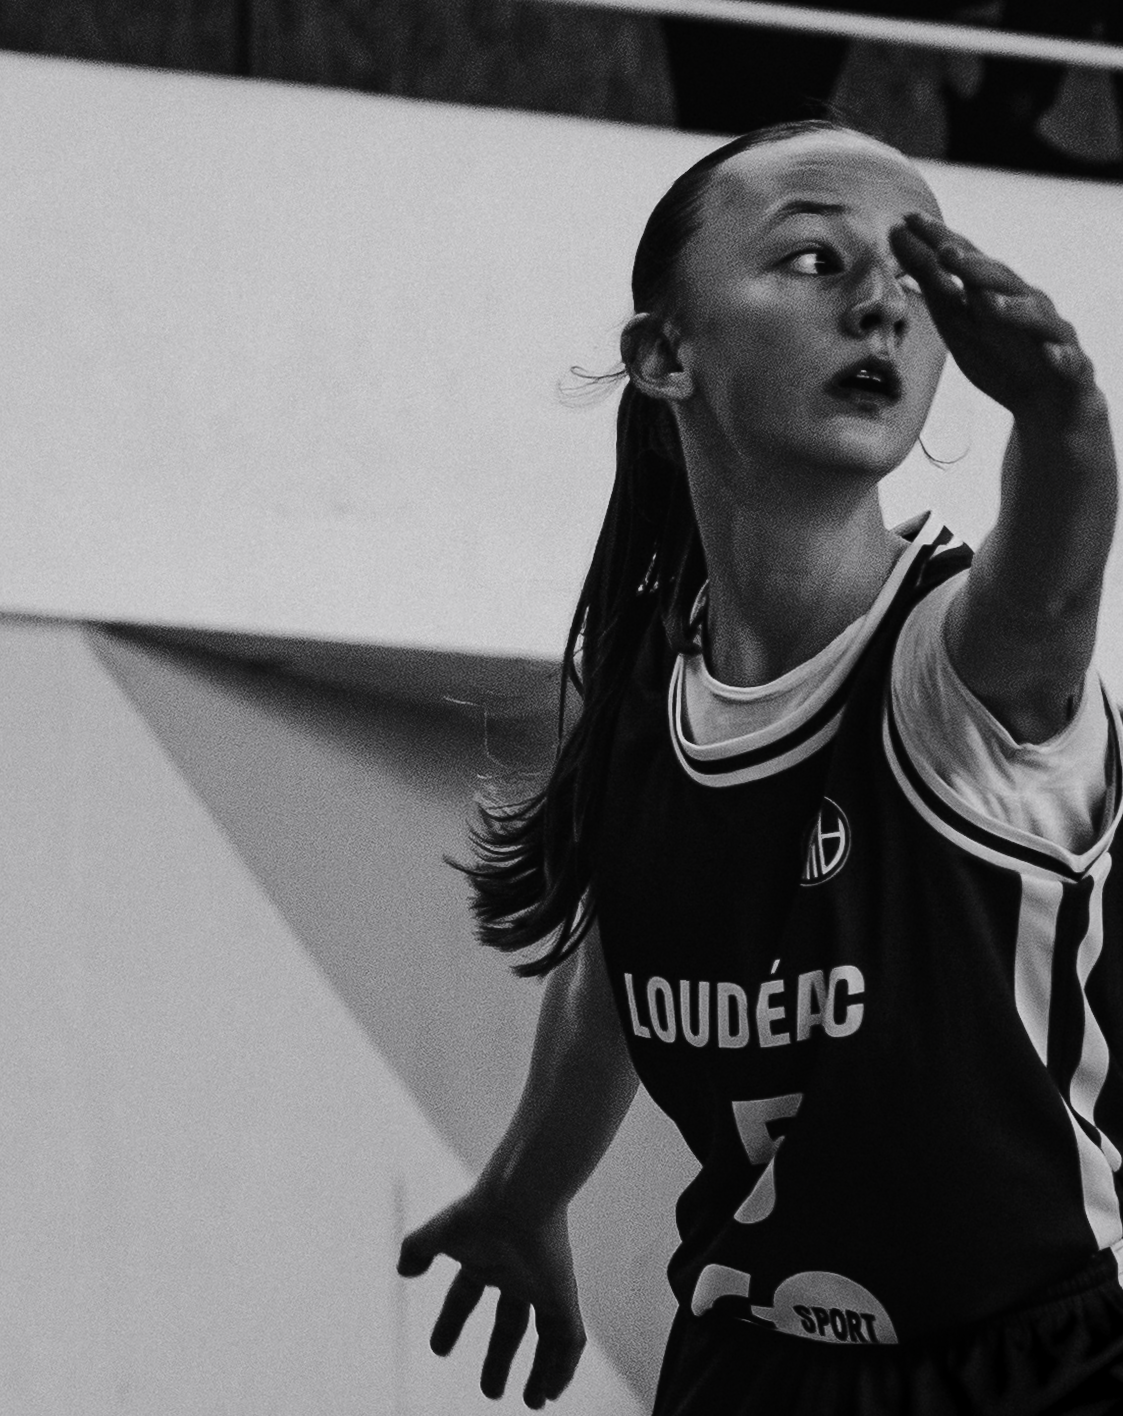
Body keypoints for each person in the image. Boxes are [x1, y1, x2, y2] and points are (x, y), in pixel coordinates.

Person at [397, 119, 1123, 1413]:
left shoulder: (957, 668)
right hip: (758, 1363)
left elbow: (1055, 580)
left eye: (915, 273)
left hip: (1037, 1361)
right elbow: (624, 955)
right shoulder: (650, 694)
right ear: (665, 354)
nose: (880, 303)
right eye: (814, 260)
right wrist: (524, 1191)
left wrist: (1063, 410)